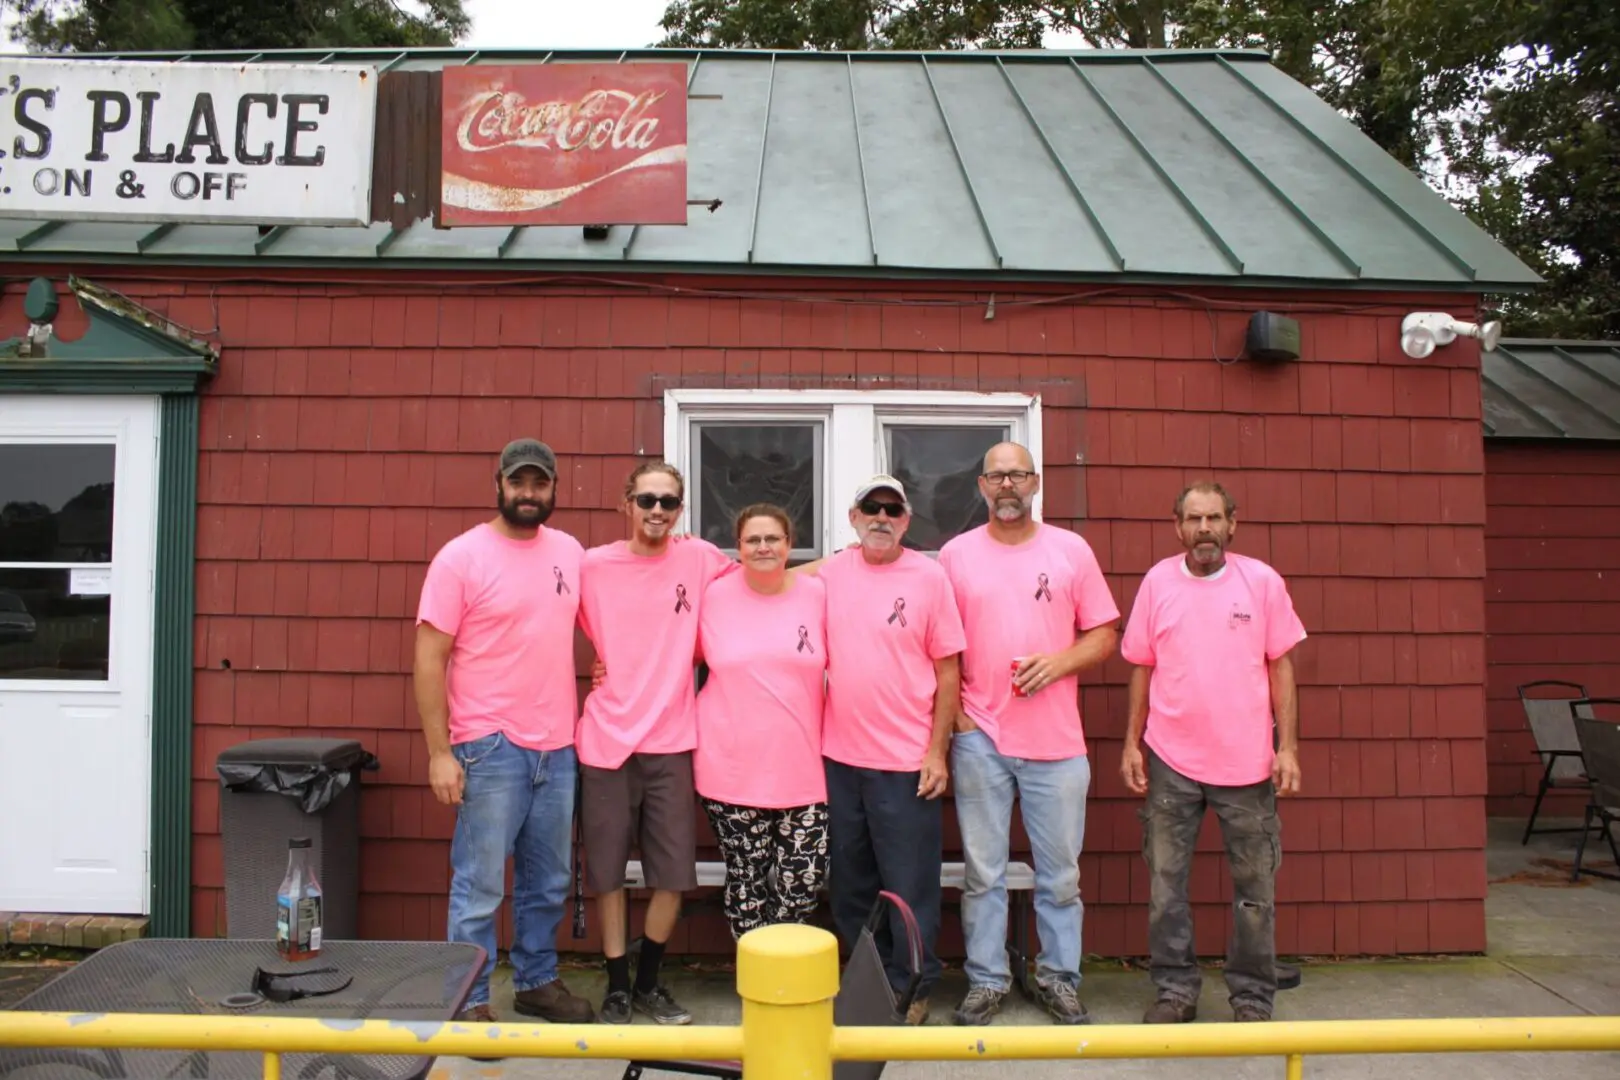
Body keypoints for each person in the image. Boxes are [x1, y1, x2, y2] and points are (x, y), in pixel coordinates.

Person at [413, 438, 596, 1029]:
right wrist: (440, 753)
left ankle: (537, 983)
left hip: (558, 744)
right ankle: (467, 999)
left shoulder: (569, 551)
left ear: (553, 490)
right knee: (481, 883)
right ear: (498, 484)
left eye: (539, 484)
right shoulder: (461, 558)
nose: (528, 493)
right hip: (488, 745)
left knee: (548, 881)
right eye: (519, 482)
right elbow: (428, 658)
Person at [937, 442, 1120, 1027]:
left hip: (1057, 743)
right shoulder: (955, 555)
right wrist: (959, 719)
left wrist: (1060, 663)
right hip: (981, 738)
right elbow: (938, 642)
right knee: (983, 873)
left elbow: (1105, 633)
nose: (1007, 485)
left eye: (1017, 474)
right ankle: (986, 981)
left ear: (1036, 482)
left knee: (1060, 874)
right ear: (982, 486)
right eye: (997, 476)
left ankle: (1059, 979)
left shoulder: (1070, 550)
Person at [1119, 482, 1306, 1025]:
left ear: (1233, 524)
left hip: (1248, 766)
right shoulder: (1157, 582)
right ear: (1177, 526)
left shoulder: (1262, 583)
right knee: (1164, 889)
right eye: (1194, 519)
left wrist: (1286, 747)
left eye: (1214, 518)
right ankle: (1175, 990)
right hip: (1170, 759)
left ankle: (1251, 997)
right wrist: (1132, 742)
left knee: (1255, 893)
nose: (1205, 529)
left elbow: (1281, 667)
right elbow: (1142, 667)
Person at [575, 462, 733, 1026]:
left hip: (671, 740)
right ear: (626, 502)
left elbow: (767, 575)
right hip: (606, 742)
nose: (658, 511)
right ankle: (616, 986)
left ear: (681, 509)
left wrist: (849, 564)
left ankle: (648, 983)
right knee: (608, 875)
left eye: (669, 502)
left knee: (672, 876)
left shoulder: (700, 558)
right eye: (647, 500)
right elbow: (539, 619)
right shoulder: (590, 566)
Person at [811, 475, 965, 1026]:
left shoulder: (929, 578)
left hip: (905, 762)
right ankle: (868, 982)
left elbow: (949, 672)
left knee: (909, 884)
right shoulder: (831, 572)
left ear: (906, 520)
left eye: (892, 510)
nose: (881, 517)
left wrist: (937, 752)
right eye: (870, 508)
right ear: (853, 517)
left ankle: (913, 986)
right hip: (839, 758)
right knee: (850, 881)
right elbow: (769, 579)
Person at [694, 504, 830, 940]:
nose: (763, 547)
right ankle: (756, 982)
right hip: (729, 767)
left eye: (773, 538)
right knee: (747, 885)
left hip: (805, 770)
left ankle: (785, 979)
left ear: (790, 545)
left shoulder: (818, 595)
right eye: (753, 539)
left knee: (801, 884)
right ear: (738, 548)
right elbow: (670, 648)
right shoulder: (712, 596)